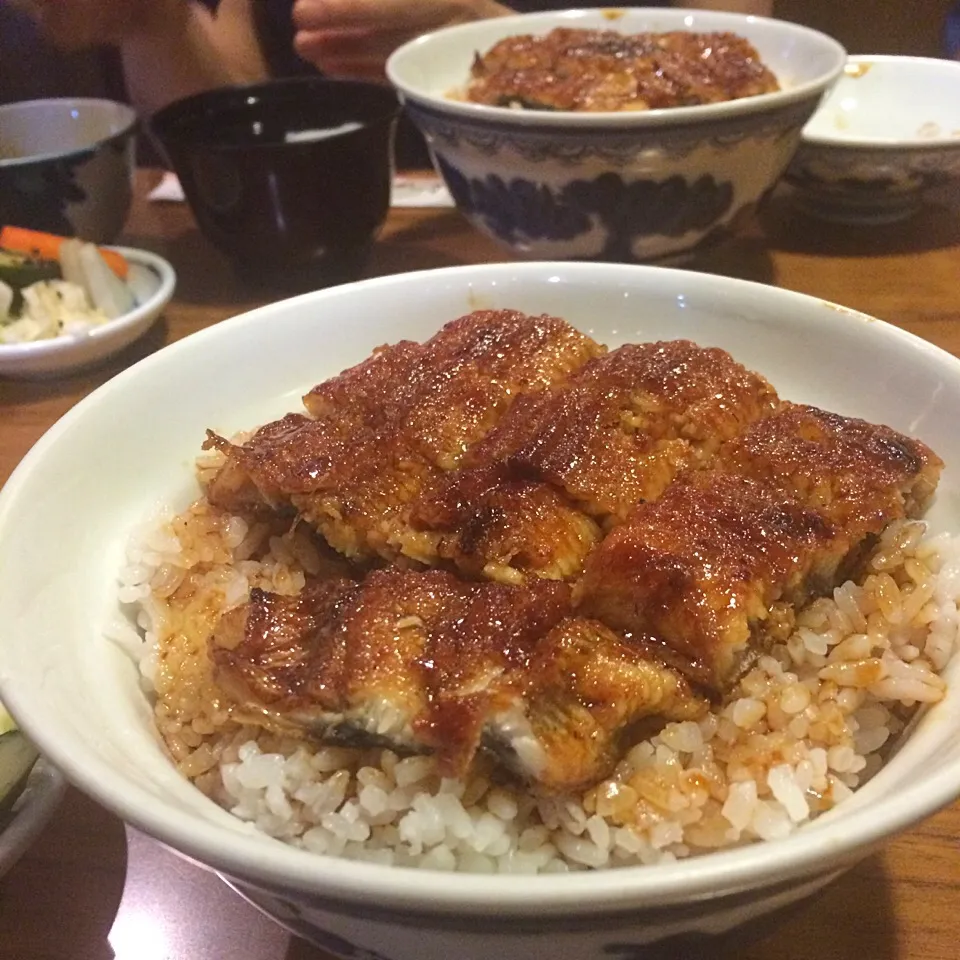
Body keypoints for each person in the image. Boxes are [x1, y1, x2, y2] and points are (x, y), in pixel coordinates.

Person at [26, 0, 774, 114]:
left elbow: (748, 49)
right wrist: (150, 22)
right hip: (332, 259)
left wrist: (479, 34)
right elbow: (231, 106)